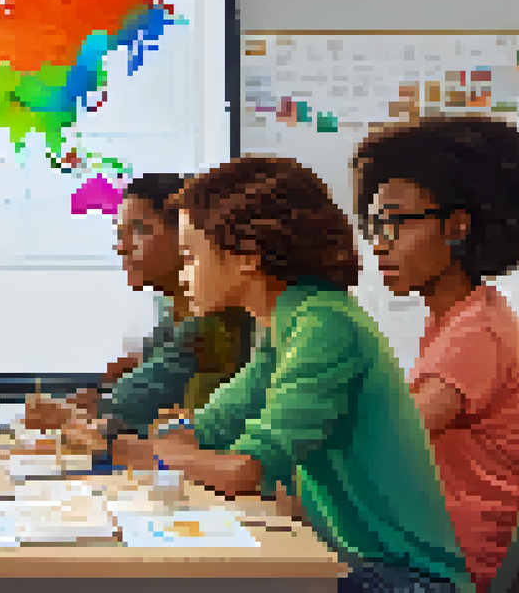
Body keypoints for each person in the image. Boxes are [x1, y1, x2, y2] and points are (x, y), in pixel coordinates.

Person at [110, 155, 472, 593]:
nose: (183, 274)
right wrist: (181, 430)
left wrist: (144, 453)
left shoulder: (324, 322)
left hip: (407, 576)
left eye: (189, 256)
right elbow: (216, 424)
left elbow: (245, 468)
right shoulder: (286, 321)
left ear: (246, 257)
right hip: (353, 556)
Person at [352, 115, 519, 592]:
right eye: (374, 225)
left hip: (446, 574)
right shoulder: (457, 319)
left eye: (394, 224)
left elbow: (385, 443)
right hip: (422, 553)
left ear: (456, 227)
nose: (379, 244)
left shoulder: (478, 333)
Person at [24, 173, 254, 452]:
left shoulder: (214, 324)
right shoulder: (173, 317)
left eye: (139, 230)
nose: (122, 248)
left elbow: (130, 408)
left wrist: (76, 416)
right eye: (120, 235)